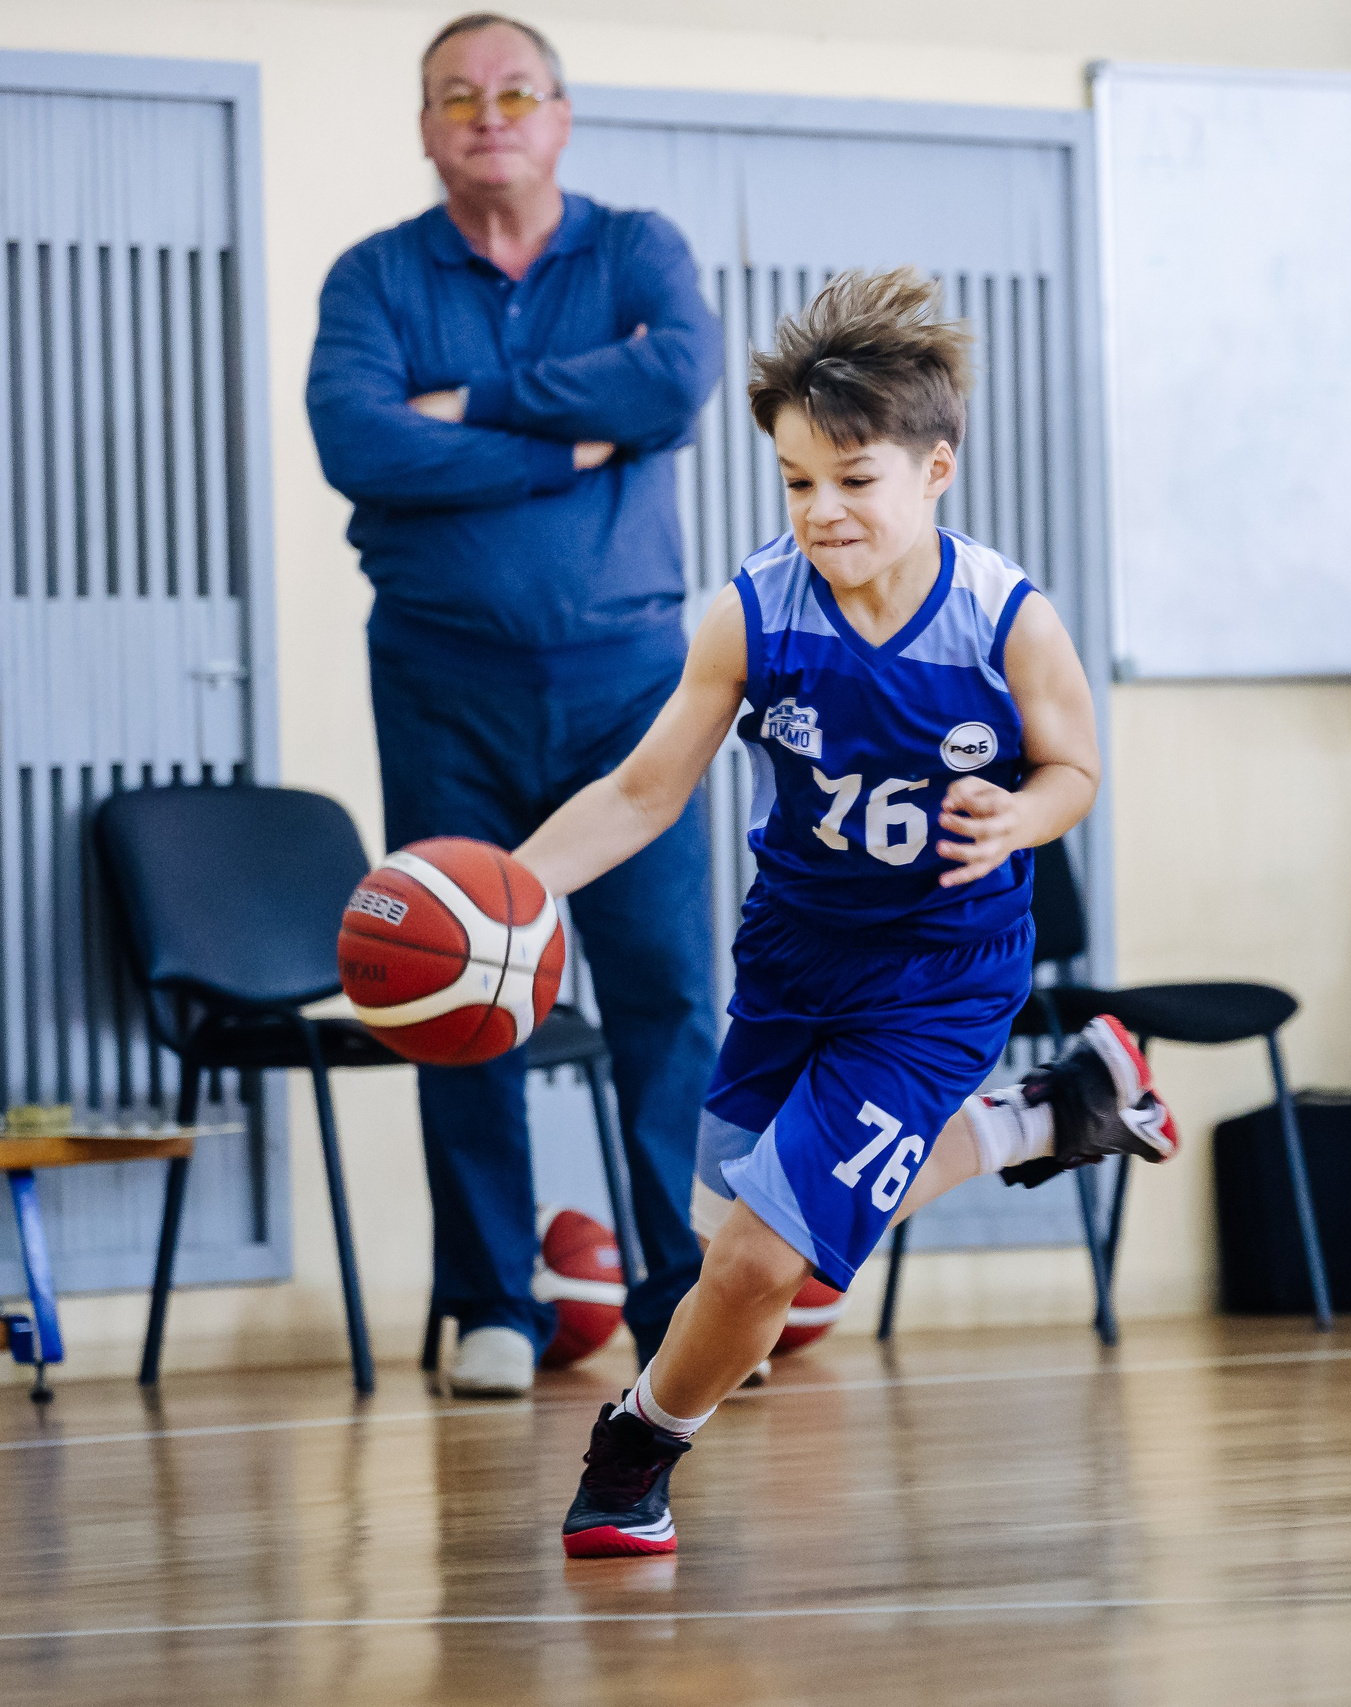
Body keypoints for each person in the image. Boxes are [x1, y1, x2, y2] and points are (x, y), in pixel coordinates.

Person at [515, 267, 1176, 1557]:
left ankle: (636, 1449)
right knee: (730, 1249)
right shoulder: (753, 614)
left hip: (940, 972)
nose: (822, 510)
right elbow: (644, 792)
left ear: (937, 470)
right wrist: (504, 890)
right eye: (796, 482)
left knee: (763, 1261)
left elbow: (1076, 770)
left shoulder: (1005, 620)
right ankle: (1047, 1113)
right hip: (793, 959)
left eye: (854, 479)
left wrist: (1020, 817)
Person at [307, 14, 728, 1396]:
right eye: (457, 97)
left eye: (514, 91)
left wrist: (469, 407)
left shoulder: (638, 249)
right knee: (456, 986)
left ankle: (685, 1305)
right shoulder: (374, 276)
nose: (488, 114)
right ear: (426, 129)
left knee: (666, 993)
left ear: (561, 116)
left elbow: (675, 378)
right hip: (443, 686)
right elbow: (359, 443)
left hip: (632, 691)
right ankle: (493, 1301)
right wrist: (570, 447)